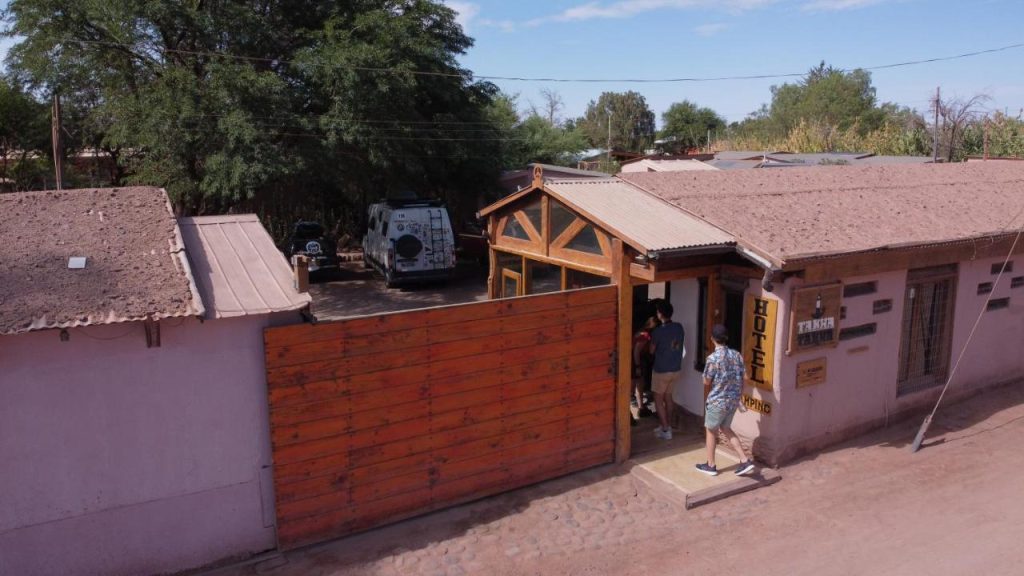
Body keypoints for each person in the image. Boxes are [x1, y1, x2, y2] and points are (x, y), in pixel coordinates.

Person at [695, 324, 756, 476]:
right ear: (726, 338)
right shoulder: (737, 355)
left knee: (711, 430)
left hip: (718, 400)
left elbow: (706, 382)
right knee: (726, 428)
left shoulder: (712, 358)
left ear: (712, 339)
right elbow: (745, 377)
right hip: (733, 401)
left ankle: (711, 465)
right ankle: (744, 460)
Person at [648, 301, 684, 440]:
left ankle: (665, 429)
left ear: (660, 314)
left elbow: (651, 351)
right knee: (668, 397)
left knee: (658, 399)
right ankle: (667, 425)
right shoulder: (679, 327)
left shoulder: (658, 331)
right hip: (675, 368)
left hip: (661, 369)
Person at [632, 316, 658, 416]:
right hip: (638, 361)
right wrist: (638, 366)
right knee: (639, 384)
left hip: (635, 361)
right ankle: (641, 409)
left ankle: (641, 407)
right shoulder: (645, 335)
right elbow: (636, 351)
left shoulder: (640, 332)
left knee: (637, 384)